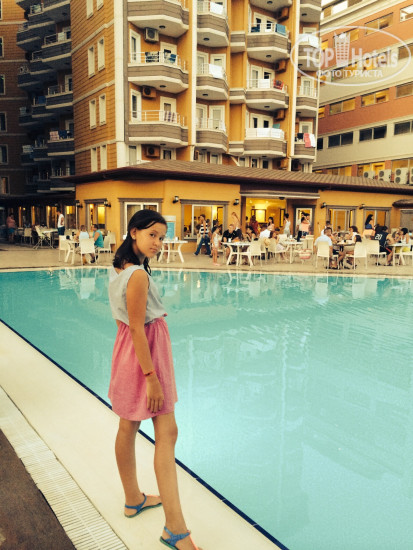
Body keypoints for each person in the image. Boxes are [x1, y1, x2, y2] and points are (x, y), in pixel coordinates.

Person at [108, 210, 202, 550]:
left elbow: (125, 323)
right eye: (152, 235)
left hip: (129, 352)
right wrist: (152, 377)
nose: (158, 243)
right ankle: (175, 529)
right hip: (146, 355)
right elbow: (138, 327)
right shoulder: (137, 276)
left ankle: (133, 499)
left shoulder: (122, 267)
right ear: (134, 232)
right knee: (167, 432)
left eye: (162, 237)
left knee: (128, 426)